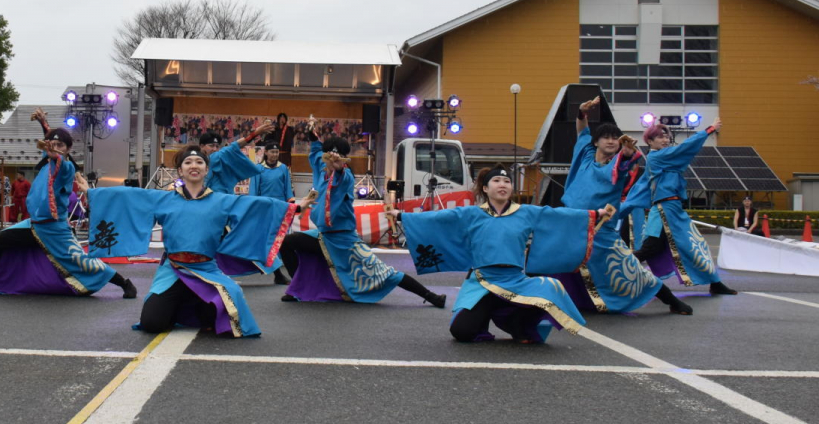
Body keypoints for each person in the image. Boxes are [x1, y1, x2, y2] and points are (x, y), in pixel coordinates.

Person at [86, 145, 296, 337]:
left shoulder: (222, 200)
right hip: (173, 268)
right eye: (188, 163)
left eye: (199, 163)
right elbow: (128, 197)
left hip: (207, 270)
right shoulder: (164, 199)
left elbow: (259, 206)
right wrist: (92, 193)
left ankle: (195, 302)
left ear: (206, 170)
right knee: (151, 324)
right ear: (180, 171)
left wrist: (295, 206)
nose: (193, 166)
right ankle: (181, 303)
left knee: (220, 322)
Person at [400, 167, 615, 343]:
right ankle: (488, 314)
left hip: (514, 280)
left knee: (551, 287)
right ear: (485, 188)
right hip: (482, 282)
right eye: (496, 181)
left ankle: (517, 323)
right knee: (462, 332)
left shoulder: (526, 212)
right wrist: (402, 216)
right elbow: (438, 219)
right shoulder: (472, 213)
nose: (502, 184)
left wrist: (595, 214)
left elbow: (558, 216)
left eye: (507, 181)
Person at [0, 109, 136, 298]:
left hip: (54, 228)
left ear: (67, 150)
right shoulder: (47, 161)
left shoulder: (66, 168)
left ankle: (125, 283)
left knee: (81, 261)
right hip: (34, 225)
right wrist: (43, 123)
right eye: (52, 144)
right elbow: (50, 147)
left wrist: (55, 151)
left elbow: (59, 159)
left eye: (61, 145)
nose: (55, 148)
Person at [281, 123, 445, 308]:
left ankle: (431, 296)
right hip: (323, 236)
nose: (328, 160)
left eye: (335, 157)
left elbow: (343, 177)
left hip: (344, 239)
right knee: (287, 243)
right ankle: (299, 289)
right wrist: (313, 138)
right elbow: (315, 154)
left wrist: (340, 168)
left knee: (385, 273)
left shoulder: (345, 176)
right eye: (327, 156)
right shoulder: (320, 170)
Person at [555, 97, 693, 316]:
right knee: (557, 261)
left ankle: (671, 300)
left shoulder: (618, 165)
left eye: (615, 139)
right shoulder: (585, 155)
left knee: (631, 268)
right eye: (606, 138)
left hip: (601, 228)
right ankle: (556, 301)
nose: (611, 141)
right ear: (597, 142)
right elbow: (582, 131)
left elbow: (626, 159)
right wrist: (582, 113)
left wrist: (627, 153)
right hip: (573, 223)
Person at [634, 118, 738, 295]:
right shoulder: (658, 157)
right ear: (650, 141)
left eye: (667, 136)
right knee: (654, 248)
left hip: (671, 208)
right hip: (664, 211)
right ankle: (619, 270)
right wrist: (708, 130)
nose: (666, 140)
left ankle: (715, 283)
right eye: (660, 137)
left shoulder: (661, 158)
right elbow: (684, 149)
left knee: (690, 245)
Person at [218, 140, 294, 285]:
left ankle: (277, 268)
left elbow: (287, 188)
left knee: (274, 236)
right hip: (263, 205)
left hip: (278, 206)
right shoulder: (258, 169)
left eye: (276, 152)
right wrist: (254, 206)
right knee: (257, 239)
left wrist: (289, 204)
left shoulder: (283, 168)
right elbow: (253, 190)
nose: (274, 154)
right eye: (272, 151)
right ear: (265, 153)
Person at [198, 120, 276, 194]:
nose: (215, 149)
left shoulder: (216, 158)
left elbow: (233, 147)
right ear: (201, 146)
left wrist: (255, 134)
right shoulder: (193, 161)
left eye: (217, 146)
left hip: (221, 198)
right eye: (211, 146)